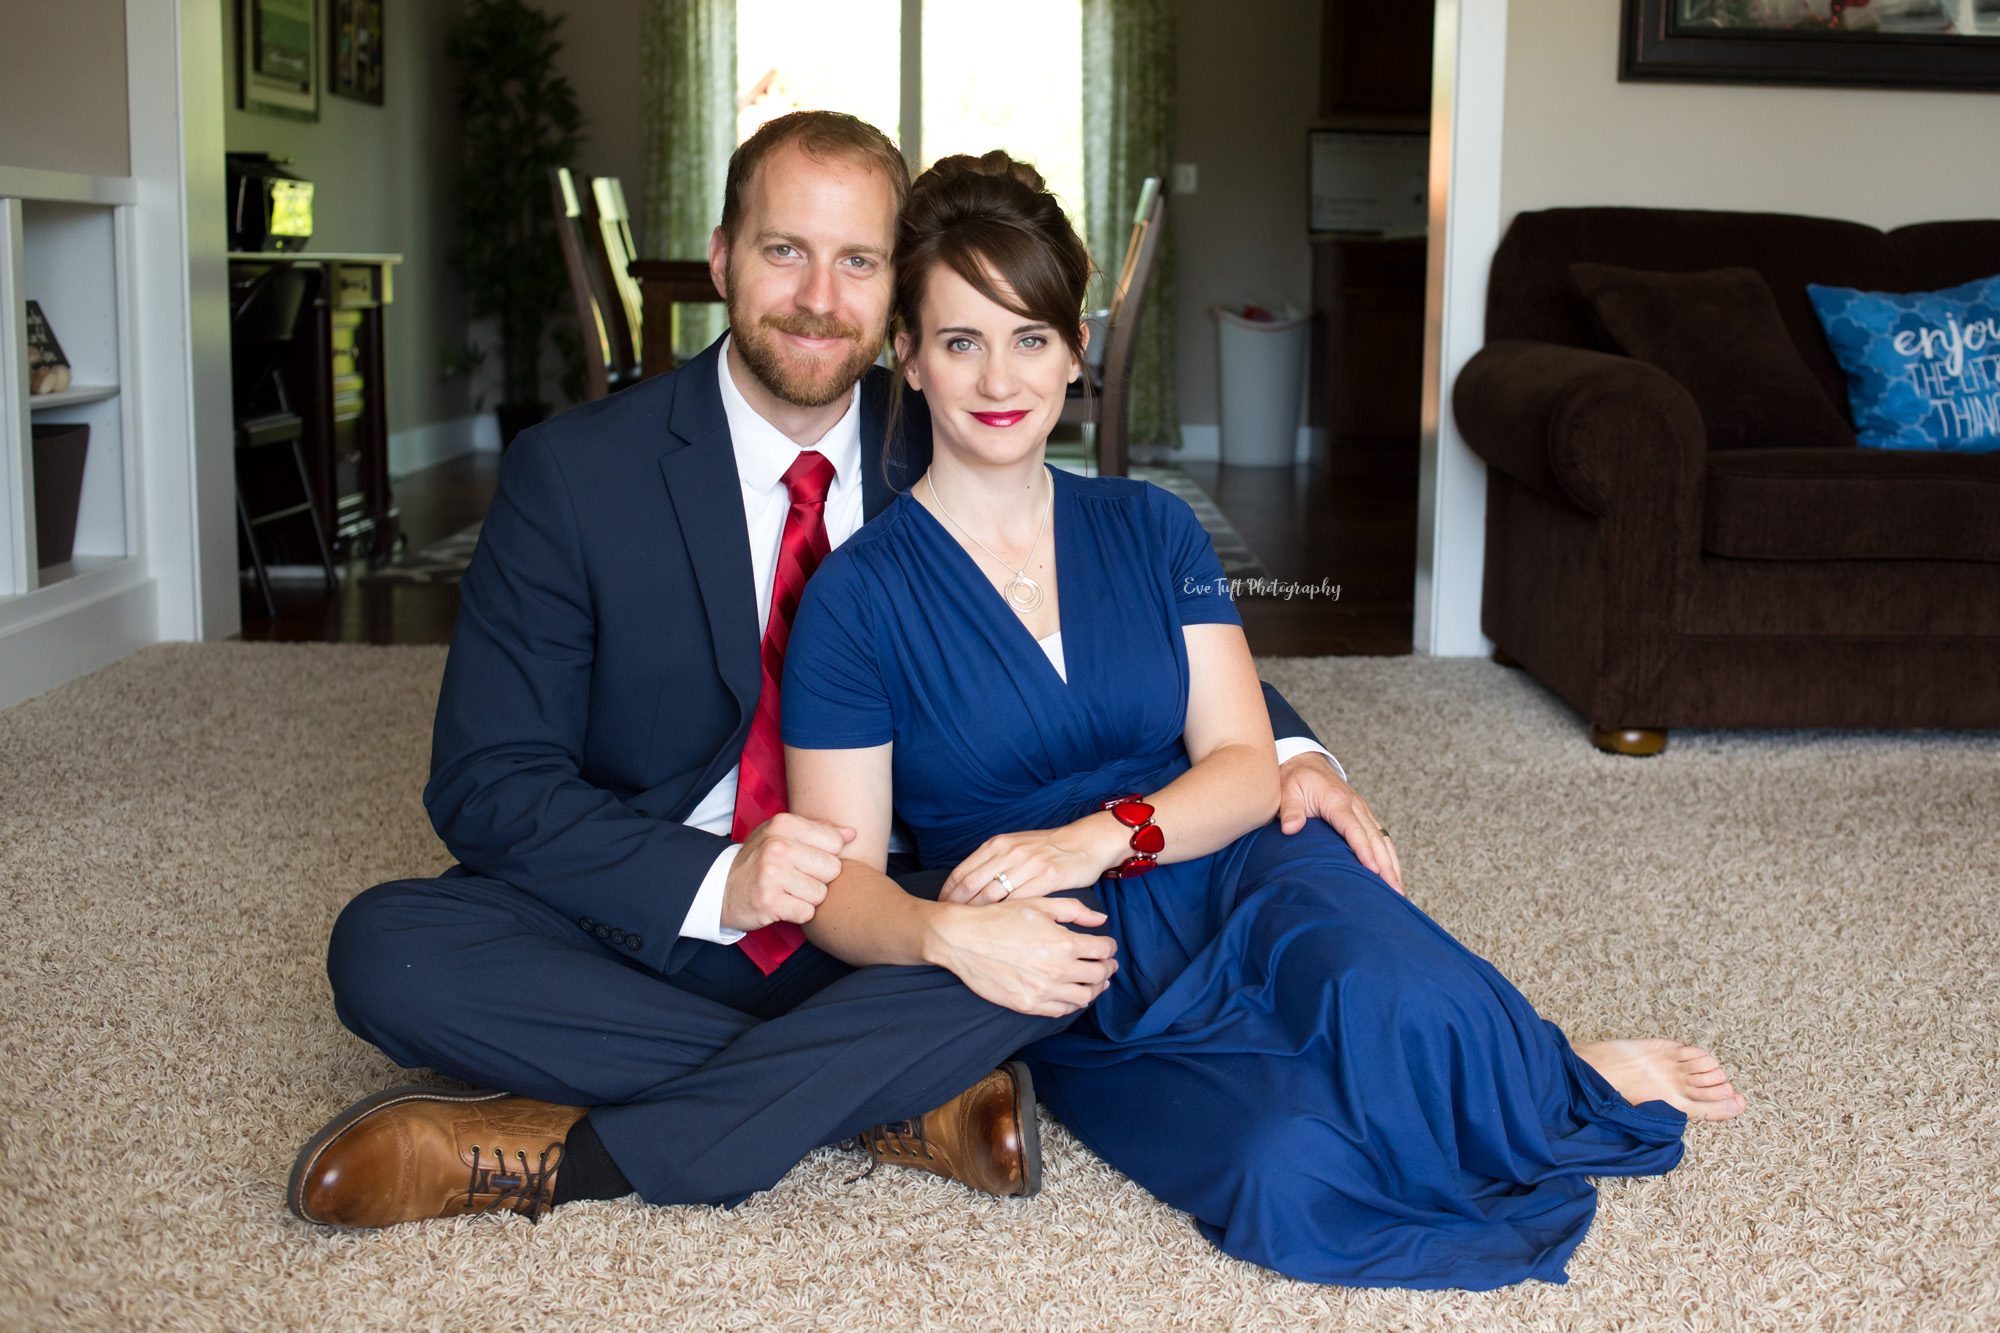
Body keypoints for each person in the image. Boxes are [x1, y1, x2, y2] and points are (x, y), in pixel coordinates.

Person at [287, 112, 1389, 1230]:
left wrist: (1290, 749)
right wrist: (722, 883)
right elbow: (487, 781)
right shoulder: (574, 476)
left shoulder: (950, 426)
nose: (820, 298)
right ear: (722, 257)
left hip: (890, 893)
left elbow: (1111, 624)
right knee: (389, 953)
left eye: (858, 261)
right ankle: (891, 1099)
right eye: (785, 251)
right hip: (656, 901)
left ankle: (584, 1152)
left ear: (897, 295)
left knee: (1061, 919)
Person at [779, 151, 1748, 1290]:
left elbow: (1244, 765)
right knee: (1288, 1169)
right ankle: (1498, 1070)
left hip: (1221, 856)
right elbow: (835, 885)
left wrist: (1094, 838)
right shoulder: (856, 597)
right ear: (906, 355)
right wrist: (949, 934)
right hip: (1069, 956)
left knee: (1421, 1016)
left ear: (1077, 350)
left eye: (1030, 338)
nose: (1000, 377)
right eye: (960, 341)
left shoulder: (1155, 528)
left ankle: (1544, 1061)